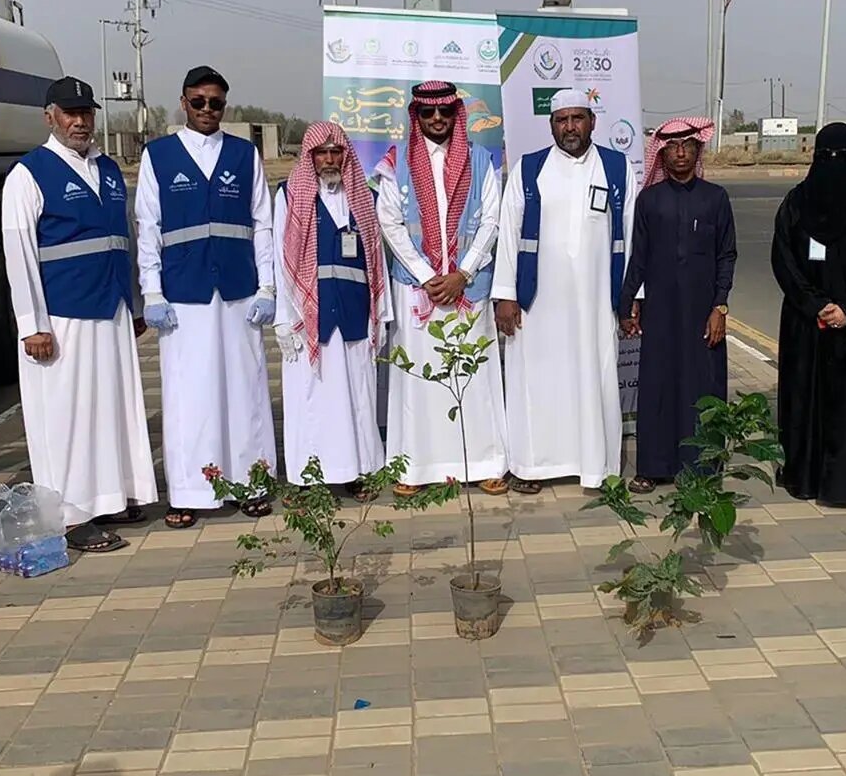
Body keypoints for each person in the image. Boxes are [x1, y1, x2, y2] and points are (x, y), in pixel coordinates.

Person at [2, 76, 156, 552]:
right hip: (63, 314)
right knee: (66, 417)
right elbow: (19, 253)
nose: (79, 121)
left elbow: (125, 239)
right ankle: (70, 516)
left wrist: (134, 302)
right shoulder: (29, 174)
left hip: (111, 307)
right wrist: (33, 325)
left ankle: (110, 497)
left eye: (86, 113)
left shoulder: (107, 169)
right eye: (70, 113)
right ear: (50, 116)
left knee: (111, 408)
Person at [136, 66, 276, 527]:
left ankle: (252, 482)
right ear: (183, 102)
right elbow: (148, 227)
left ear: (225, 106)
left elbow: (263, 224)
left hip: (238, 292)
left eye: (215, 103)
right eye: (198, 102)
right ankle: (189, 490)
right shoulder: (158, 156)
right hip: (183, 295)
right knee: (188, 394)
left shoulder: (245, 155)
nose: (207, 110)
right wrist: (151, 290)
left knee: (245, 388)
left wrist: (267, 285)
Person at [492, 89, 638, 493]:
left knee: (595, 376)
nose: (570, 127)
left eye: (578, 118)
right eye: (562, 120)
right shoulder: (529, 169)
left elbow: (631, 237)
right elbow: (509, 233)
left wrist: (632, 299)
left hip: (596, 302)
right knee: (536, 382)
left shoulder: (616, 168)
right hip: (537, 304)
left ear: (592, 122)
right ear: (551, 125)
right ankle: (532, 466)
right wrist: (505, 294)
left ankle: (595, 465)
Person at [374, 80, 509, 495]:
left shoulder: (480, 160)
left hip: (468, 287)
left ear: (455, 114)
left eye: (445, 112)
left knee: (475, 375)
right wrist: (426, 275)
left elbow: (491, 221)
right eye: (428, 112)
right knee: (417, 380)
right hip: (419, 289)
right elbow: (390, 222)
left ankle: (484, 462)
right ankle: (414, 468)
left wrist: (461, 274)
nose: (437, 119)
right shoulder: (396, 162)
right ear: (416, 115)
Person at [770, 122, 846, 506]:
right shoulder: (796, 201)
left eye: (841, 156)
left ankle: (845, 484)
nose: (833, 163)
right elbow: (783, 259)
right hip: (806, 324)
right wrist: (816, 305)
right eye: (826, 156)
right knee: (804, 400)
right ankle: (803, 476)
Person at [273, 122, 391, 497]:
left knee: (357, 395)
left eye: (335, 152)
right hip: (308, 316)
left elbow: (377, 261)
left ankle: (357, 471)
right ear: (310, 157)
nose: (328, 159)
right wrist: (284, 318)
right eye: (321, 153)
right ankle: (309, 480)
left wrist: (381, 314)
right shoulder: (290, 196)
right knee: (312, 398)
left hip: (355, 313)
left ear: (345, 155)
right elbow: (280, 259)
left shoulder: (365, 199)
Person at [618, 117, 735, 492]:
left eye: (687, 145)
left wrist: (720, 307)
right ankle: (653, 467)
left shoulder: (716, 198)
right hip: (661, 312)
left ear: (698, 150)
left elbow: (726, 256)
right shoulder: (650, 201)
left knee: (703, 386)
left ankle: (703, 470)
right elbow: (638, 258)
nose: (680, 153)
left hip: (703, 313)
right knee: (658, 385)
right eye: (672, 147)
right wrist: (627, 304)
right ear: (662, 154)